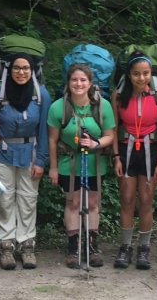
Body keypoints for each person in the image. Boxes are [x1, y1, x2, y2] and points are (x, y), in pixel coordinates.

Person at [0, 53, 52, 270]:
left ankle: (27, 244)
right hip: (2, 152)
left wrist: (41, 160)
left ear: (33, 70)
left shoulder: (40, 94)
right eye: (16, 68)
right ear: (8, 70)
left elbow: (44, 131)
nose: (21, 72)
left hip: (30, 153)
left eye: (26, 68)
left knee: (28, 199)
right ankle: (5, 245)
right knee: (3, 199)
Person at [47, 64, 115, 269]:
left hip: (94, 162)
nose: (78, 84)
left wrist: (96, 144)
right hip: (69, 162)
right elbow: (52, 140)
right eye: (74, 80)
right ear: (68, 82)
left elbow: (110, 136)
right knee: (73, 204)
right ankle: (73, 248)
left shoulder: (103, 106)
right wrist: (53, 167)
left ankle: (92, 247)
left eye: (83, 80)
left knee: (92, 203)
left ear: (90, 83)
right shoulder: (58, 107)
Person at [111, 51, 157, 270]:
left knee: (145, 201)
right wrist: (116, 157)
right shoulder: (118, 95)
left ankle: (144, 248)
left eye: (145, 73)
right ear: (128, 74)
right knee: (127, 200)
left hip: (151, 150)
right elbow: (114, 128)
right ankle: (125, 247)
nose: (141, 78)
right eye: (136, 74)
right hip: (127, 150)